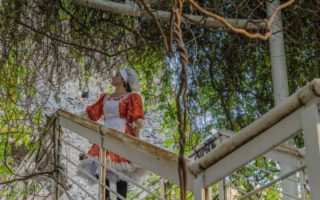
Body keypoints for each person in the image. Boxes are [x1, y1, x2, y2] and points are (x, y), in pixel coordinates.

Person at [81, 67, 145, 200]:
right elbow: (92, 113)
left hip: (122, 133)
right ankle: (106, 197)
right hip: (105, 133)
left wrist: (136, 142)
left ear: (122, 80)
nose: (113, 76)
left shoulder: (131, 97)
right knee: (101, 166)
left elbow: (136, 119)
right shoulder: (105, 98)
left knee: (121, 171)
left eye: (116, 75)